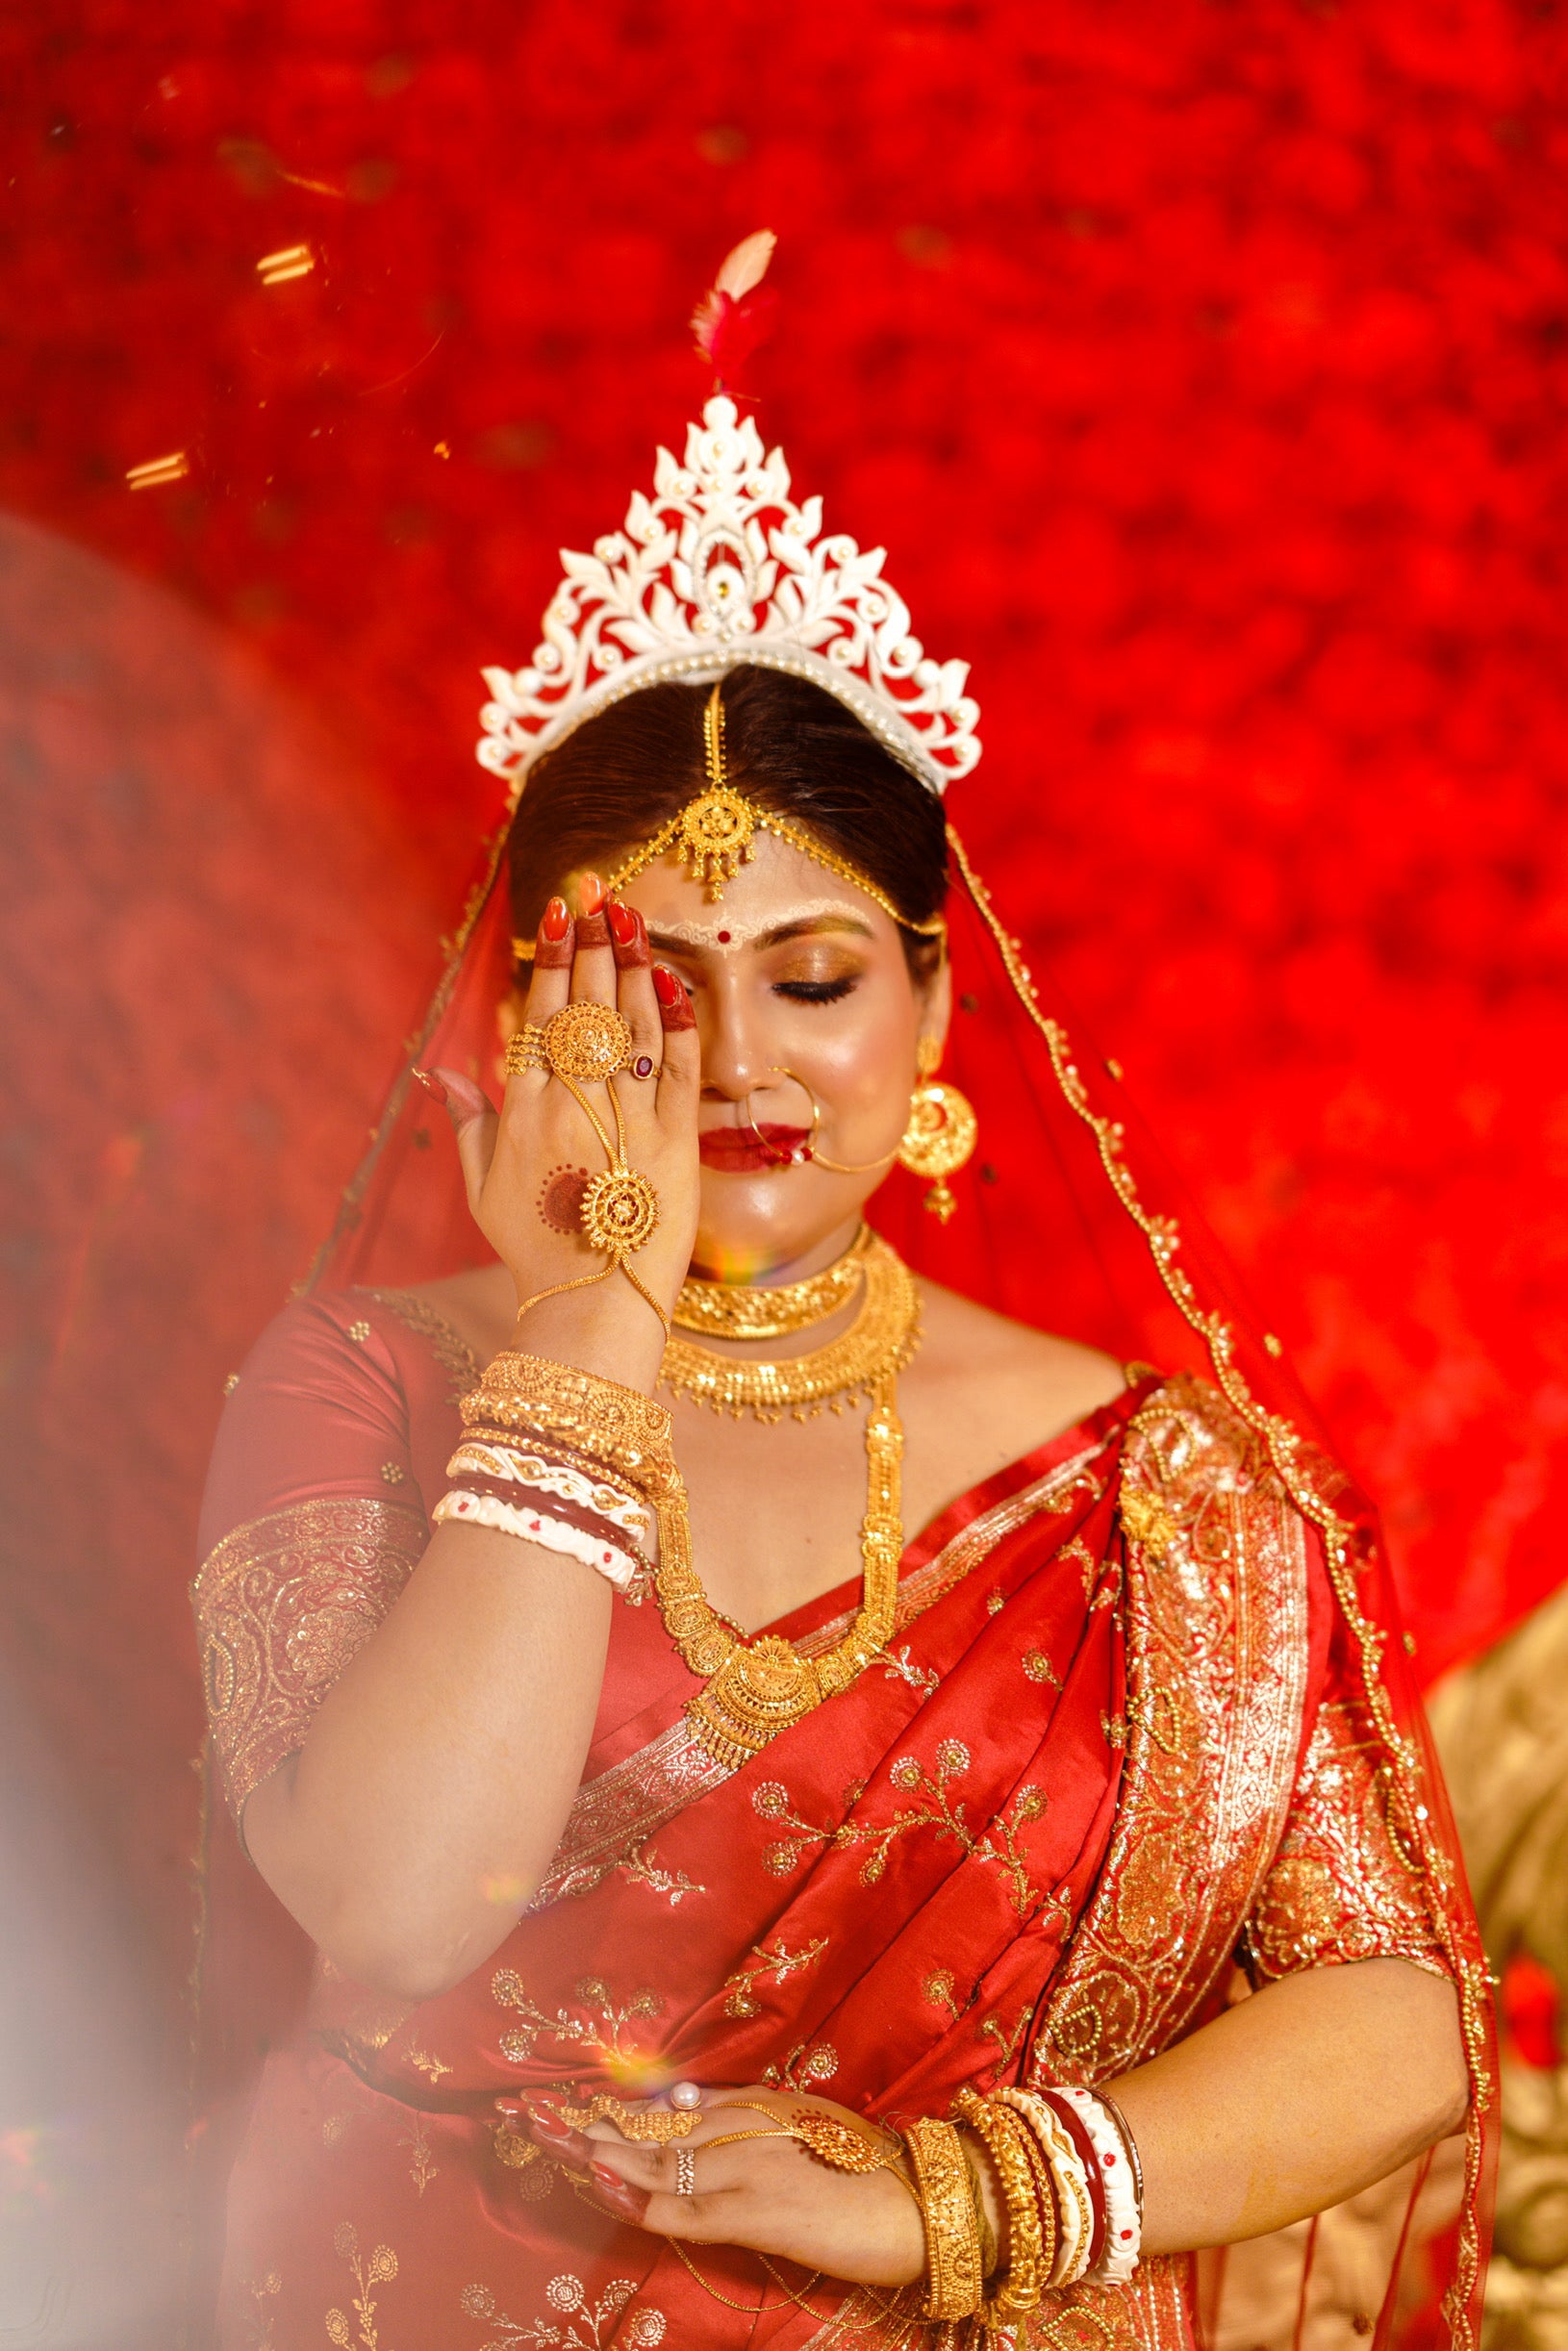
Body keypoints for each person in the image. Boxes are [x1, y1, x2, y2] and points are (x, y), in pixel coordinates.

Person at [192, 257, 1492, 2351]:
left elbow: (1401, 2008)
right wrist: (590, 1320)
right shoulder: (364, 1382)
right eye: (645, 990)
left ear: (932, 999)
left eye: (808, 980)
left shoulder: (1170, 1495)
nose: (732, 1064)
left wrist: (940, 2202)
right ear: (533, 1016)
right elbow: (390, 1899)